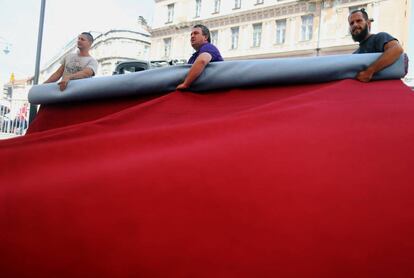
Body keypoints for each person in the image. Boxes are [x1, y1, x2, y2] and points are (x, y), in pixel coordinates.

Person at [348, 8, 404, 82]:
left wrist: (369, 71)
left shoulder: (380, 37)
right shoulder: (355, 54)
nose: (355, 25)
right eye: (351, 23)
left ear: (368, 23)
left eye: (359, 21)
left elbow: (397, 49)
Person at [176, 24, 223, 90]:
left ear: (205, 37)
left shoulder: (208, 47)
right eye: (191, 34)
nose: (192, 36)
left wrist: (185, 84)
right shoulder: (194, 56)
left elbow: (202, 60)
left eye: (196, 33)